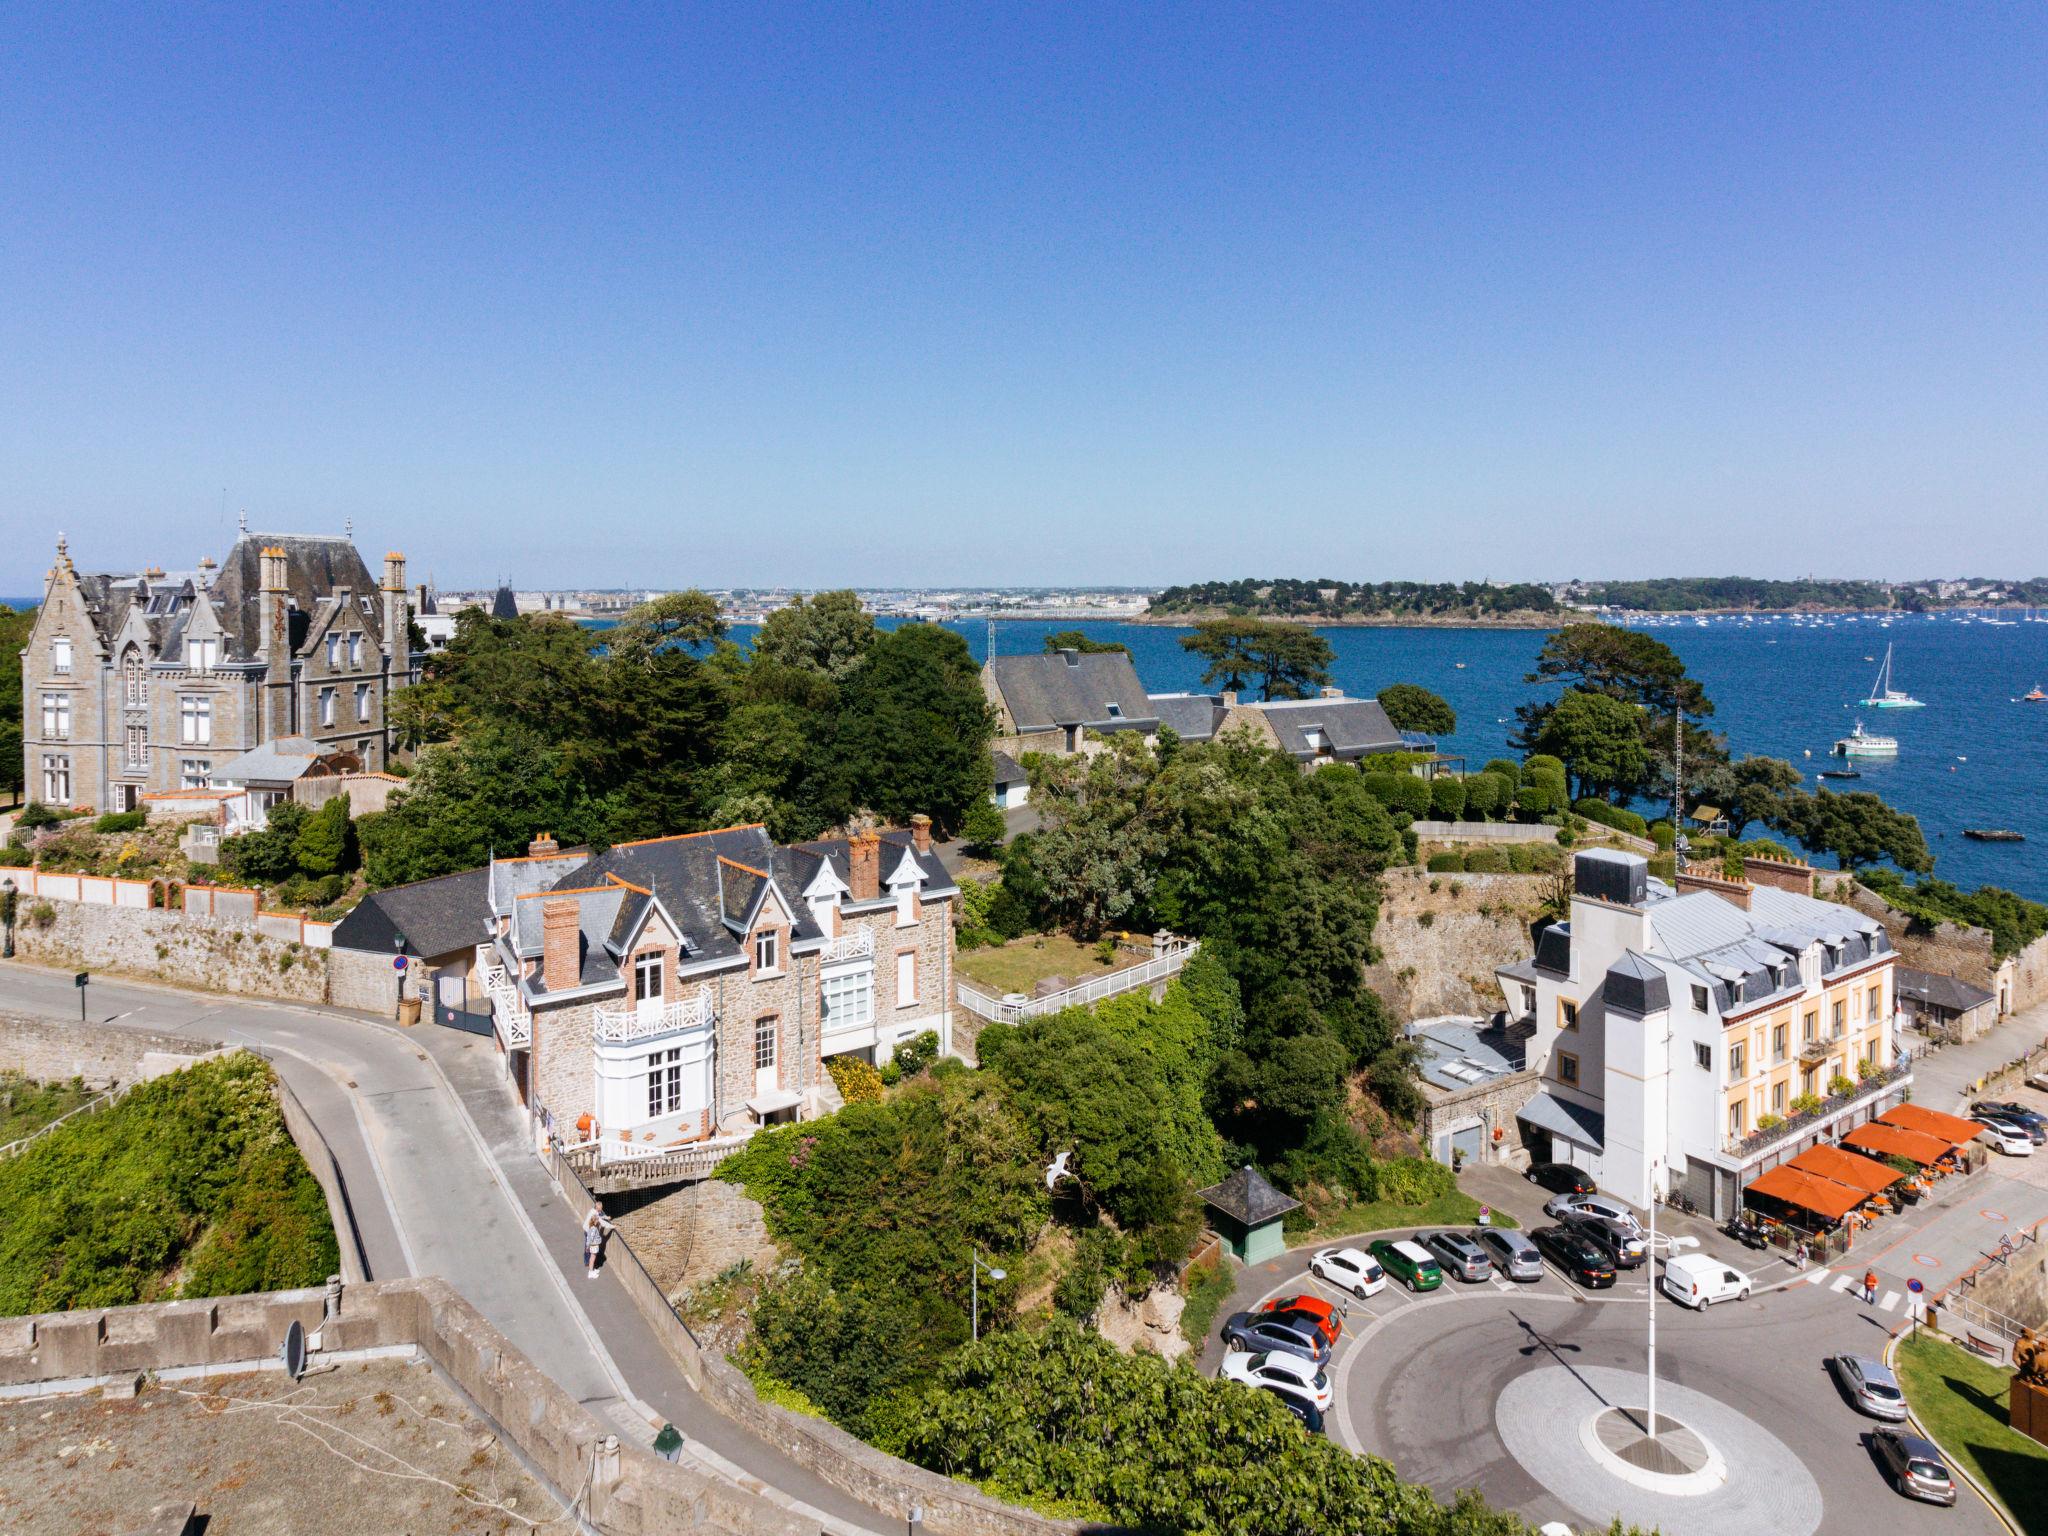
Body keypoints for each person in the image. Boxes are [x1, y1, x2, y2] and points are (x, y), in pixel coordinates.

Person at [584, 1202, 614, 1279]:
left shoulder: (593, 1212)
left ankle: (591, 1268)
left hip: (591, 1239)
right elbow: (602, 1223)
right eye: (600, 1208)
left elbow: (599, 1217)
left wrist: (606, 1217)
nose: (601, 1210)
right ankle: (590, 1270)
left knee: (592, 1256)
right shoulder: (593, 1229)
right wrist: (612, 1226)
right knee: (592, 1256)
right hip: (593, 1243)